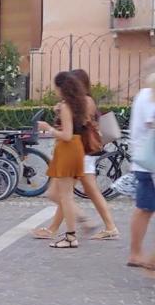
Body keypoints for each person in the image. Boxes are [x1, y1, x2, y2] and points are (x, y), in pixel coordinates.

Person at [33, 69, 119, 240]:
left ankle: (85, 223)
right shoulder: (80, 102)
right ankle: (58, 227)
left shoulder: (83, 102)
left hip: (81, 152)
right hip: (82, 152)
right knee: (67, 193)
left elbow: (70, 130)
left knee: (63, 194)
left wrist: (59, 116)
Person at [36, 71, 90, 249]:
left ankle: (71, 236)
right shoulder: (78, 104)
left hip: (68, 149)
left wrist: (48, 128)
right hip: (76, 148)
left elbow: (66, 135)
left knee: (65, 197)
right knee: (56, 194)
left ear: (62, 88)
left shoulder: (67, 106)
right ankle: (78, 220)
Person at [127, 70, 155, 270]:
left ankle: (137, 254)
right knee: (144, 209)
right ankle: (140, 255)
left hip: (144, 163)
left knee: (144, 209)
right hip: (150, 164)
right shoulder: (149, 98)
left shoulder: (142, 95)